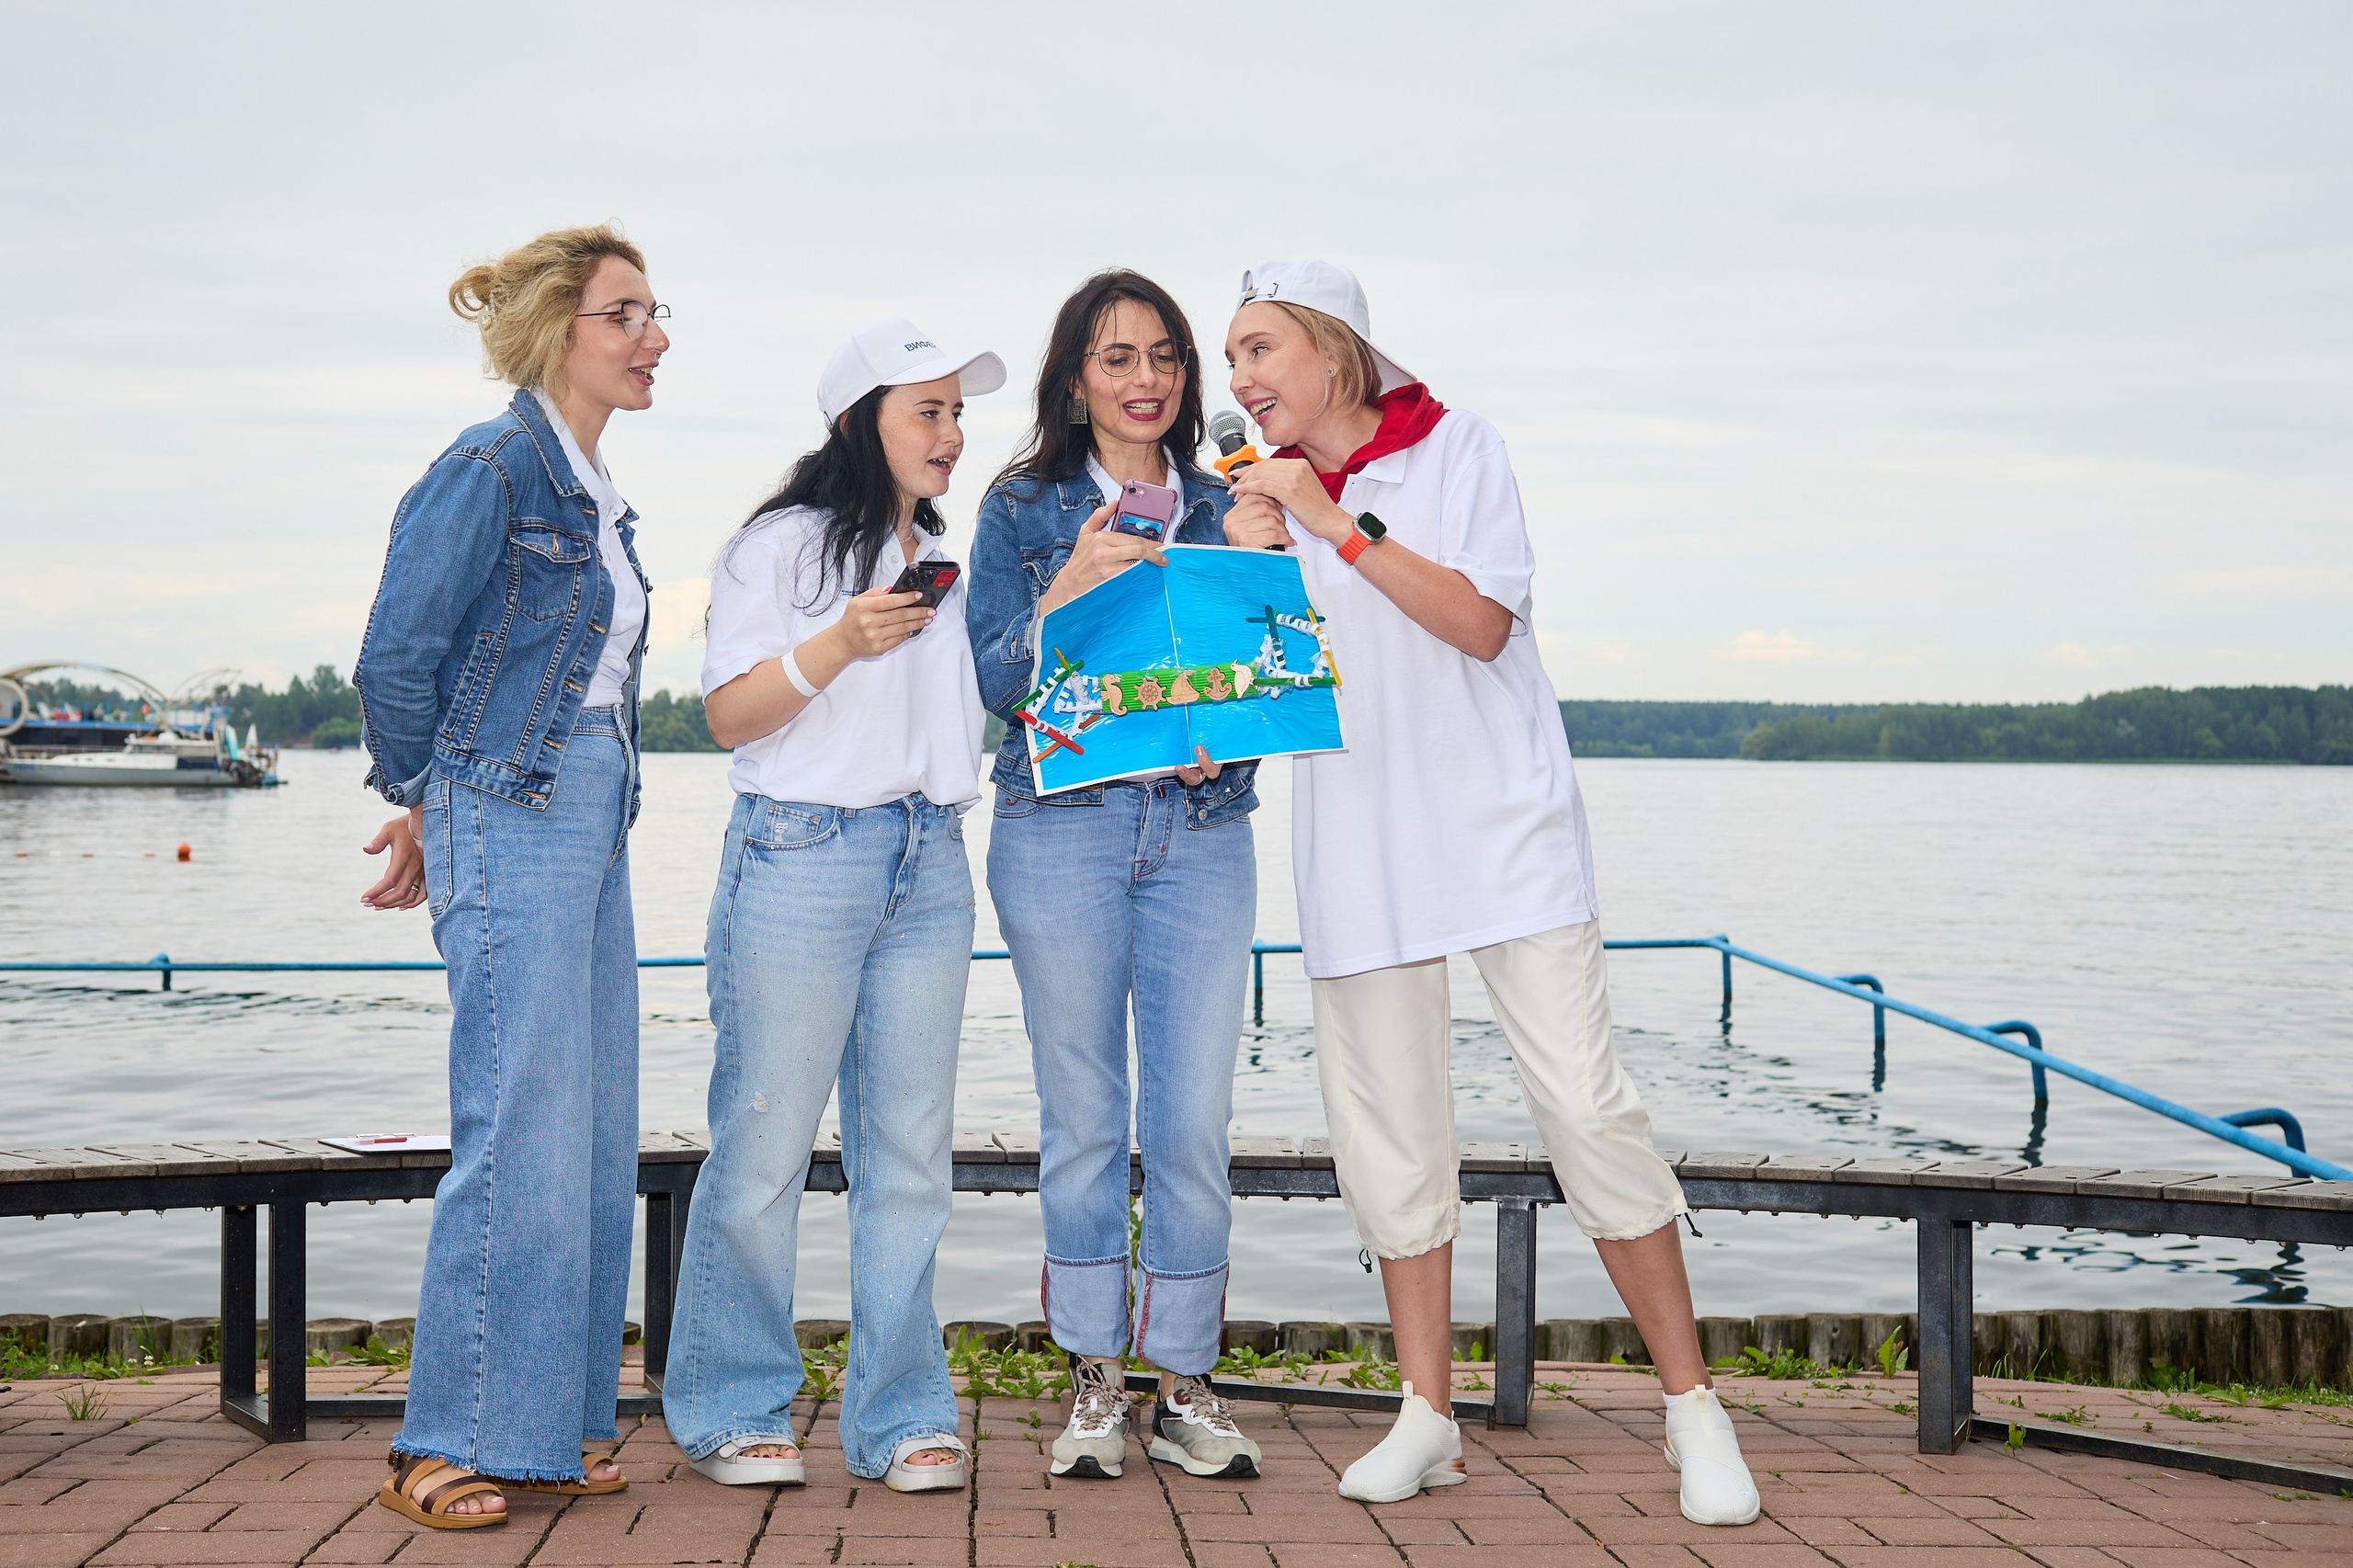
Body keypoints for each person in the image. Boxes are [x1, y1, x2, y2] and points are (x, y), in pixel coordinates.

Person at [1219, 261, 1761, 1525]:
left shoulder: (1458, 449)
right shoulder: (1256, 496)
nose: (1238, 380)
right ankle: (1427, 1413)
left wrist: (1332, 519)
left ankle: (1693, 1405)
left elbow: (1476, 623)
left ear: (1333, 347)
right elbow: (1260, 689)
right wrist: (1250, 562)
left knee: (1587, 1107)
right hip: (1360, 839)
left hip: (1504, 833)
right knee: (1392, 1135)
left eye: (1257, 349)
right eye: (1231, 358)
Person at [353, 223, 668, 1528]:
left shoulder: (594, 484)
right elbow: (394, 658)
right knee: (514, 1119)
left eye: (656, 314)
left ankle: (554, 1419)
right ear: (559, 331)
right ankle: (439, 1437)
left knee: (590, 1126)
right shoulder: (490, 465)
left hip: (588, 803)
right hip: (514, 803)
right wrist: (428, 795)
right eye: (627, 314)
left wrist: (450, 792)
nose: (655, 337)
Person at [661, 319, 1003, 1494]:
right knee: (763, 1139)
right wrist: (837, 643)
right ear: (862, 419)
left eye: (959, 413)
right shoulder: (781, 547)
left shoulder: (940, 559)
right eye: (930, 411)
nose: (953, 434)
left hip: (930, 854)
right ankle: (730, 1406)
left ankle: (901, 1412)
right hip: (803, 851)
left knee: (909, 1153)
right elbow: (727, 717)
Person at [967, 271, 1264, 1482]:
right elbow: (995, 679)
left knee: (1192, 1119)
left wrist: (1230, 708)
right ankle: (1095, 1375)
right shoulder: (1023, 505)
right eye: (1117, 358)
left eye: (1165, 358)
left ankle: (1186, 1377)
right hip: (1062, 829)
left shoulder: (1228, 499)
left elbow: (1270, 666)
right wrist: (1071, 582)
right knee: (1083, 1116)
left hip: (1200, 829)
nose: (1146, 380)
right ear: (1074, 380)